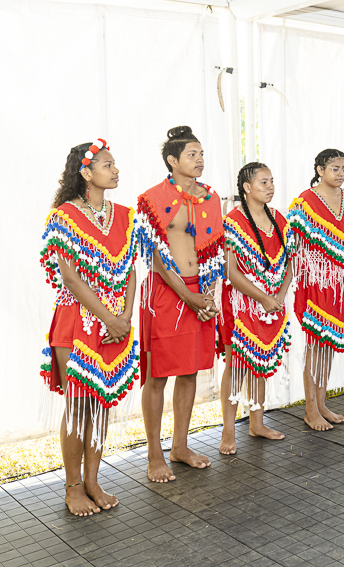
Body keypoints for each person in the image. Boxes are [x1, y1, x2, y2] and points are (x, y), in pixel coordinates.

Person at [40, 140, 139, 515]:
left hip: (115, 322)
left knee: (100, 403)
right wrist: (110, 318)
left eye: (115, 164)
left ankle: (94, 481)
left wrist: (125, 316)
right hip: (77, 321)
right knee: (79, 404)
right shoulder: (63, 216)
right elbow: (70, 278)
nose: (115, 170)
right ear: (85, 171)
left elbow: (131, 269)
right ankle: (73, 487)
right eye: (107, 165)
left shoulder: (125, 215)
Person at [137, 126, 224, 482]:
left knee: (190, 371)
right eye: (192, 154)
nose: (200, 160)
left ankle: (180, 446)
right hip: (166, 293)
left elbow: (215, 249)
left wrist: (209, 296)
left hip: (200, 291)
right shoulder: (151, 198)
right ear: (172, 161)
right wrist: (189, 297)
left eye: (201, 153)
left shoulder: (211, 197)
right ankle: (154, 455)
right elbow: (154, 256)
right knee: (158, 375)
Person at [287, 149, 344, 431]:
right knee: (316, 345)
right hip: (316, 283)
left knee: (329, 344)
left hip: (342, 285)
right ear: (320, 170)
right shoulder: (305, 202)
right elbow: (293, 247)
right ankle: (310, 409)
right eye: (334, 168)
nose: (341, 173)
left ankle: (321, 403)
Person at [218, 162, 292, 454]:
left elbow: (290, 262)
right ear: (247, 187)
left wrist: (279, 296)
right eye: (263, 182)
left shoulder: (278, 218)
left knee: (261, 361)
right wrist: (262, 297)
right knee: (237, 365)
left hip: (272, 303)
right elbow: (231, 272)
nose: (270, 187)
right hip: (241, 305)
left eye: (272, 181)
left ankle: (257, 423)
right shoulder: (232, 222)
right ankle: (228, 430)